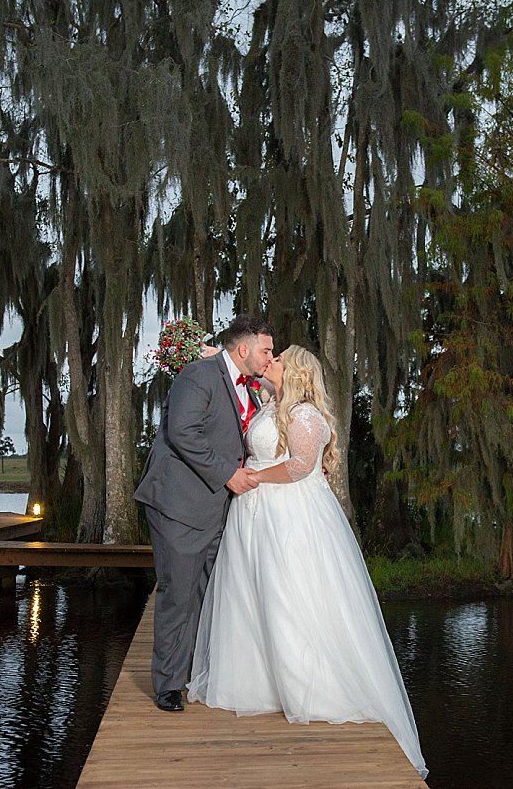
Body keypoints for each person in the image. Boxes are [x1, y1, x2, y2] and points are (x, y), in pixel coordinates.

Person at [186, 345, 427, 778]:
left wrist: (254, 477)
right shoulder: (270, 403)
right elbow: (237, 369)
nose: (269, 362)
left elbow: (298, 467)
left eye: (276, 359)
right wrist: (211, 352)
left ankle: (307, 686)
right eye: (268, 356)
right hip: (253, 515)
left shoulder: (305, 416)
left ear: (294, 372)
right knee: (250, 595)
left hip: (288, 515)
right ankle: (259, 680)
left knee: (287, 595)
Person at [134, 315, 274, 712]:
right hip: (180, 504)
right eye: (265, 350)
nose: (270, 357)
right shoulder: (199, 376)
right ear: (243, 349)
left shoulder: (247, 384)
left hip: (217, 509)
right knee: (179, 594)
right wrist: (228, 474)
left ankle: (196, 672)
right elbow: (183, 432)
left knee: (206, 594)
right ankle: (168, 685)